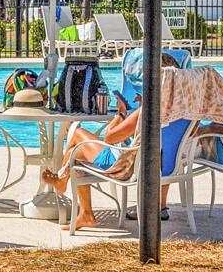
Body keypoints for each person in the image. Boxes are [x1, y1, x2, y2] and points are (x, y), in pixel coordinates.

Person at [50, 62, 209, 228]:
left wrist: (121, 114)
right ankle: (69, 187)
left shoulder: (148, 111)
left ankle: (70, 190)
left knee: (76, 137)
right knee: (75, 155)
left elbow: (109, 138)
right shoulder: (189, 112)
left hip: (126, 167)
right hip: (166, 167)